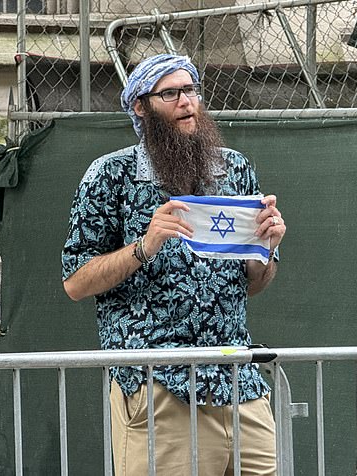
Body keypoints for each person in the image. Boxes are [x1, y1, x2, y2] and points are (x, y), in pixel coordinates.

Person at [61, 54, 286, 475]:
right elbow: (75, 281)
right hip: (160, 385)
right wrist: (144, 246)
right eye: (171, 93)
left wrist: (266, 249)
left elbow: (251, 284)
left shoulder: (234, 168)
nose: (187, 102)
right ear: (141, 106)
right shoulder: (111, 175)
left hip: (239, 382)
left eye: (191, 90)